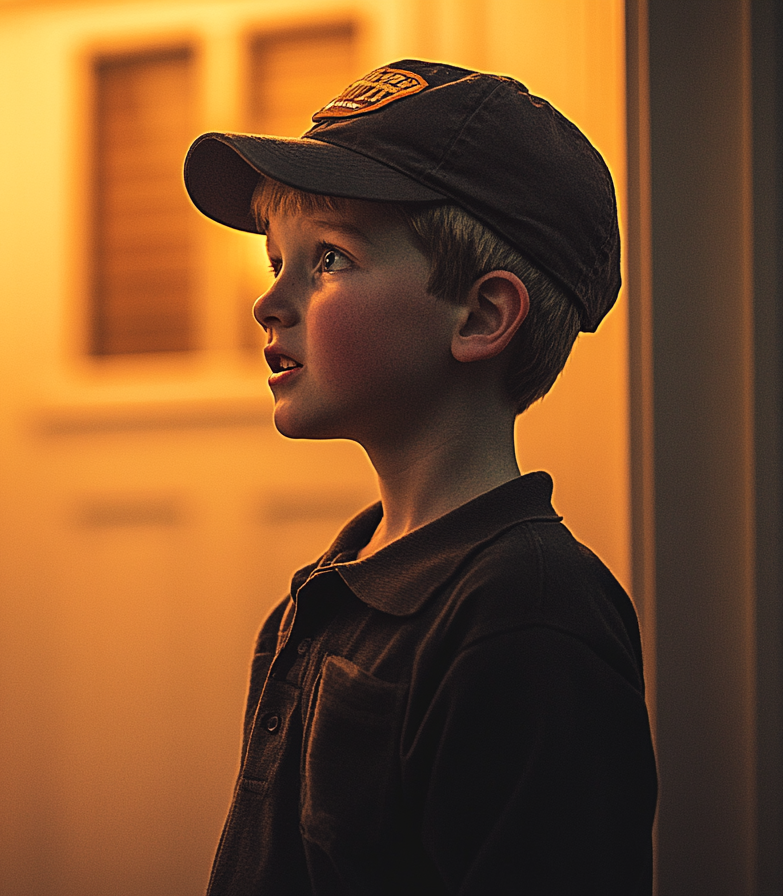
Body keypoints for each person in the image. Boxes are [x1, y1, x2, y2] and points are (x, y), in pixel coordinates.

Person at [182, 59, 657, 895]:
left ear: (480, 315)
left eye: (327, 260)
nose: (269, 302)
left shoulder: (528, 618)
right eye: (274, 262)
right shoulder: (336, 587)